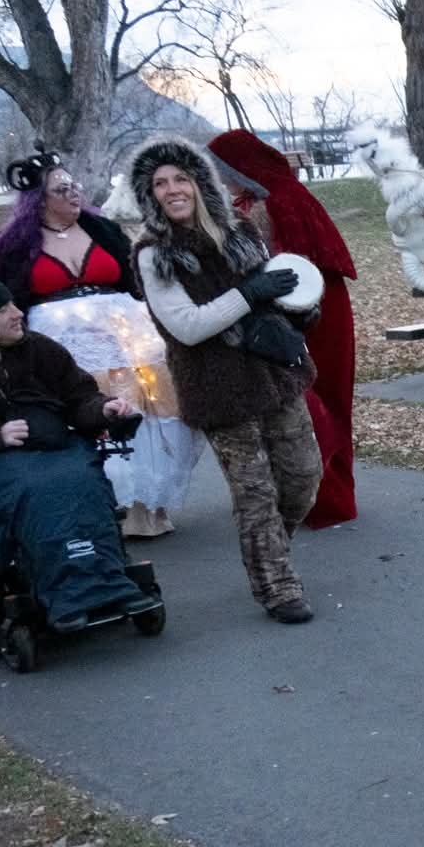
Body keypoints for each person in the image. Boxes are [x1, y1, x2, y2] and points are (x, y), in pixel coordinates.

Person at [128, 135, 322, 625]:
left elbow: (274, 295)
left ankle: (268, 551)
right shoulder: (155, 254)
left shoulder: (241, 231)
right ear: (149, 195)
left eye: (180, 178)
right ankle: (275, 584)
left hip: (274, 372)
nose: (172, 189)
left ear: (199, 183)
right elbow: (187, 327)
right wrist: (248, 292)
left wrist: (299, 309)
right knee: (253, 492)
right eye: (159, 183)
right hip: (217, 386)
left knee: (302, 478)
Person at [0, 274, 157, 630]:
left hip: (56, 447)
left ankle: (107, 582)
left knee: (84, 481)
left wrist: (103, 409)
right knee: (38, 491)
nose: (17, 313)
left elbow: (78, 397)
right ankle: (69, 596)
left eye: (13, 303)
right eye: (2, 309)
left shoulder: (40, 349)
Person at [0, 146, 203, 539]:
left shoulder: (103, 230)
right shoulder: (13, 245)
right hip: (63, 347)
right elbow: (2, 296)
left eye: (74, 186)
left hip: (130, 338)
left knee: (149, 416)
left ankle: (147, 507)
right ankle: (103, 506)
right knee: (93, 414)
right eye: (61, 189)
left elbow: (136, 278)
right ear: (40, 198)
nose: (73, 194)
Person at [208, 129, 360, 529]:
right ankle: (310, 495)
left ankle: (327, 497)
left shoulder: (281, 201)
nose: (221, 178)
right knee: (305, 399)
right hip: (293, 311)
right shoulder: (255, 201)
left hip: (312, 312)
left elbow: (289, 265)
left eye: (224, 170)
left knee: (317, 398)